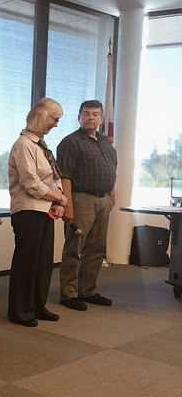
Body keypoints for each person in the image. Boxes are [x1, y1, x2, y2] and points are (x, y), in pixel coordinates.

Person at [8, 97, 68, 327]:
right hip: (28, 211)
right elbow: (30, 183)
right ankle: (20, 311)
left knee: (42, 262)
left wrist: (58, 200)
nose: (55, 124)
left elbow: (55, 176)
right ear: (41, 115)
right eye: (54, 119)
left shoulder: (41, 146)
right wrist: (59, 197)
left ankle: (37, 306)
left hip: (45, 210)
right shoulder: (23, 144)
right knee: (27, 262)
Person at [57, 100, 117, 311]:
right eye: (86, 114)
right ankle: (68, 293)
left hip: (103, 200)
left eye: (95, 114)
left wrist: (112, 196)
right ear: (79, 117)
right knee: (75, 247)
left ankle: (88, 290)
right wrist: (68, 205)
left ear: (101, 119)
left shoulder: (106, 143)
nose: (91, 117)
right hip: (80, 198)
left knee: (97, 249)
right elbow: (64, 176)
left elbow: (113, 171)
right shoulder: (70, 142)